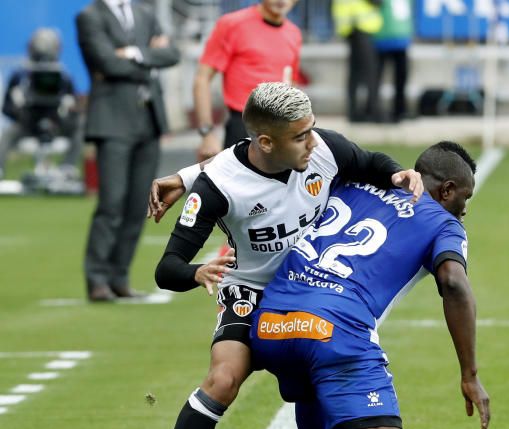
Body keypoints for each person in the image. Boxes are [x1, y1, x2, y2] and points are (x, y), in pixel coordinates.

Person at [142, 82, 423, 429]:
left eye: (312, 131)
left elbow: (370, 163)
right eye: (301, 137)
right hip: (251, 292)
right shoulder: (217, 185)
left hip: (311, 291)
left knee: (322, 374)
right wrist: (197, 272)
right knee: (223, 379)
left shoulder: (323, 149)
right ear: (265, 142)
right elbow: (166, 268)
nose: (313, 143)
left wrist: (398, 174)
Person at [250, 141, 490, 429]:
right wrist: (469, 374)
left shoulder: (350, 183)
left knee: (309, 390)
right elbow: (453, 283)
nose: (465, 210)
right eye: (465, 198)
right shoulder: (443, 223)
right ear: (447, 189)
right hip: (335, 329)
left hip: (270, 321)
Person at [76, 0, 180, 302]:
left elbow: (171, 54)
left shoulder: (145, 13)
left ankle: (119, 277)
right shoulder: (89, 16)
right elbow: (106, 62)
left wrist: (133, 54)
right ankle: (97, 280)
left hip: (148, 119)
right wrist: (149, 57)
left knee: (139, 204)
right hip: (112, 122)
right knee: (111, 204)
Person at [194, 0, 303, 162]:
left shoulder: (294, 33)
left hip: (281, 128)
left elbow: (292, 83)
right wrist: (207, 133)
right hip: (243, 126)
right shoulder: (232, 24)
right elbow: (202, 79)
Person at [0, 28, 83, 181]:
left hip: (57, 122)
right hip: (27, 122)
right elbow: (6, 108)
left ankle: (67, 167)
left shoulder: (63, 76)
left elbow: (76, 106)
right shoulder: (20, 75)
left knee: (80, 126)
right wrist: (18, 107)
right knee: (7, 134)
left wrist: (68, 107)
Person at [334, 0, 384, 122]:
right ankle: (373, 111)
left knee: (355, 73)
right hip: (361, 28)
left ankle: (354, 112)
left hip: (351, 27)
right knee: (370, 72)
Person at [374, 0, 413, 123]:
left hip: (401, 39)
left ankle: (400, 110)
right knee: (376, 79)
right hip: (382, 37)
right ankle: (375, 110)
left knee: (401, 78)